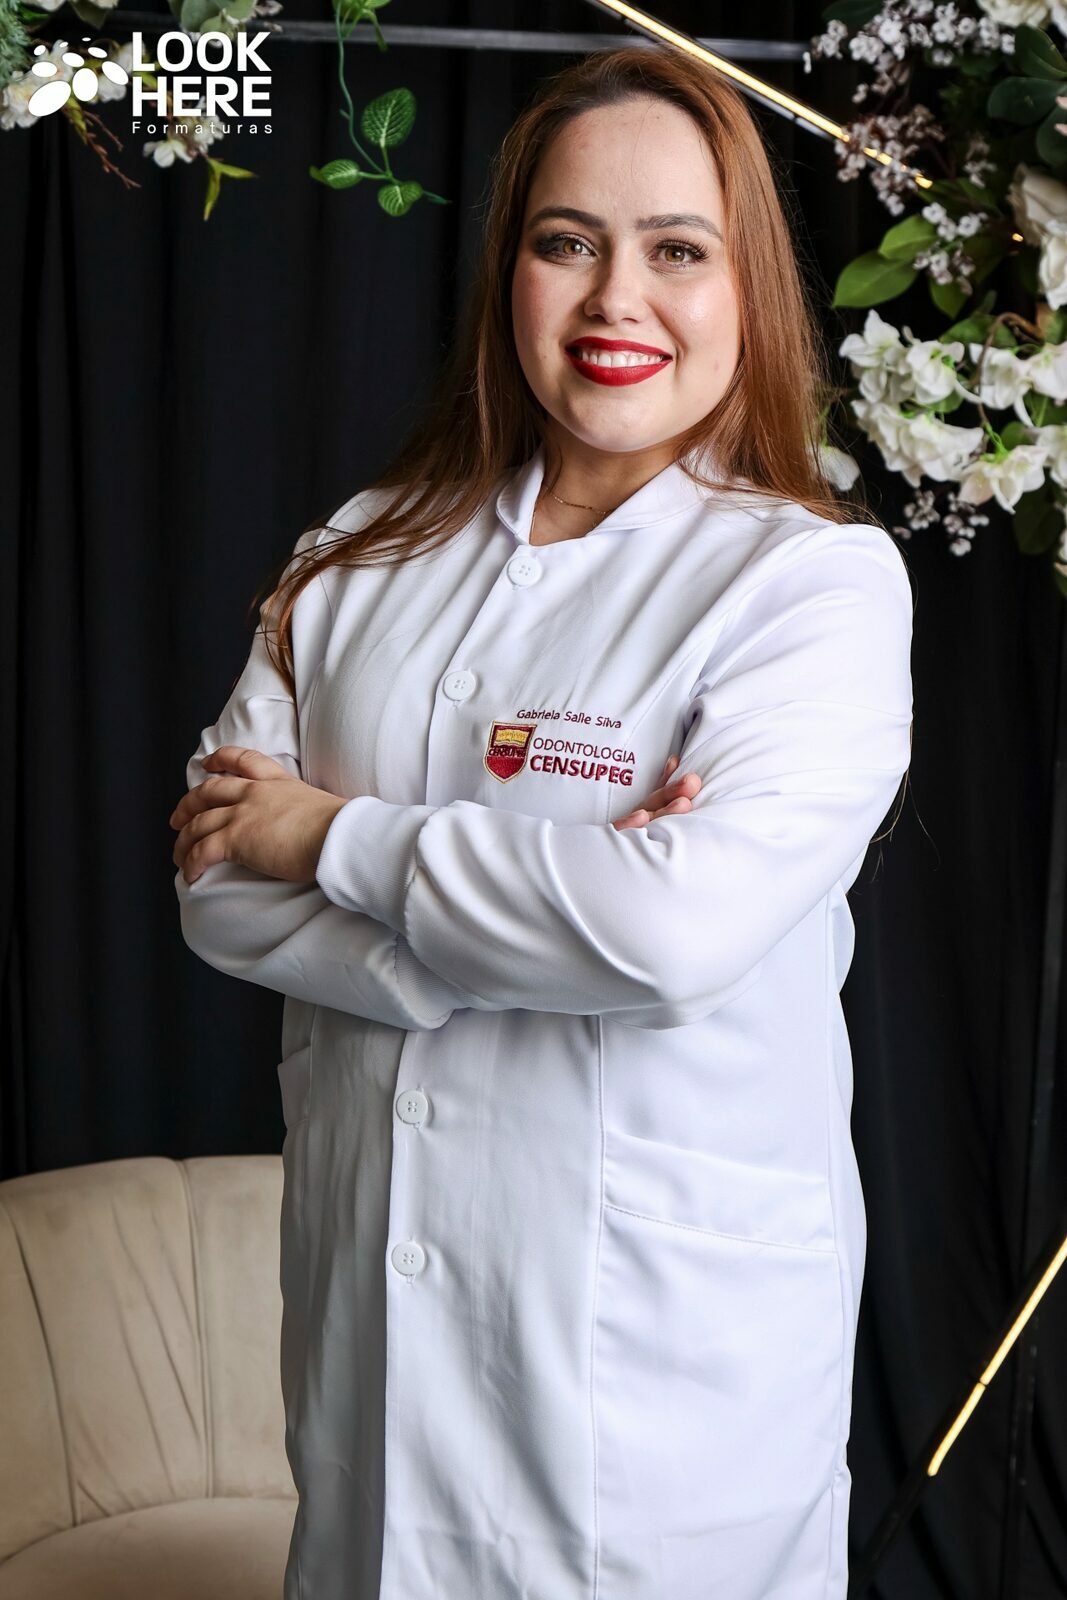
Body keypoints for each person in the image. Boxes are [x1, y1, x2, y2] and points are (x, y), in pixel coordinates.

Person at [168, 42, 914, 1600]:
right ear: (509, 270)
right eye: (568, 241)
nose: (614, 299)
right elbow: (216, 882)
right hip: (373, 1363)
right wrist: (499, 934)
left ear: (749, 287)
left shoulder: (807, 590)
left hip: (661, 1400)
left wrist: (330, 839)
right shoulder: (359, 554)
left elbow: (666, 932)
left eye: (678, 250)